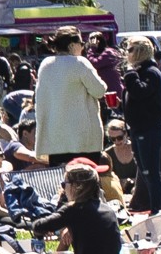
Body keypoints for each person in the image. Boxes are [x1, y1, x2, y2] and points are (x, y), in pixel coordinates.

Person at [23, 163, 125, 254]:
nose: (63, 189)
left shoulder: (74, 209)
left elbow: (39, 226)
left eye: (64, 184)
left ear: (77, 186)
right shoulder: (108, 210)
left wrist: (64, 220)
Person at [31, 29, 109, 164]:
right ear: (72, 45)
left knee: (63, 182)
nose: (83, 46)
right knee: (87, 180)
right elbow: (99, 90)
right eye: (81, 42)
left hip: (56, 140)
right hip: (82, 140)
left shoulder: (45, 65)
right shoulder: (79, 63)